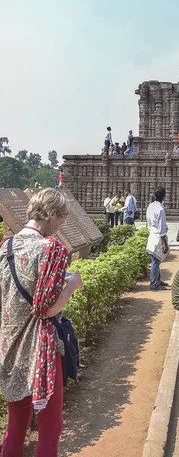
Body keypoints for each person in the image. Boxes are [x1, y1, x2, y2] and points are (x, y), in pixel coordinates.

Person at [0, 188, 83, 456]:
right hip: (40, 350)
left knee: (16, 427)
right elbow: (46, 309)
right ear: (52, 213)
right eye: (61, 220)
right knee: (50, 427)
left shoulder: (6, 246)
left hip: (9, 347)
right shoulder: (51, 249)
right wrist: (71, 286)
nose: (59, 227)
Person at [146, 187, 169, 291]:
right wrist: (164, 242)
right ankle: (154, 283)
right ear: (164, 196)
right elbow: (161, 227)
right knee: (155, 261)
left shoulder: (151, 206)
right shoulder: (160, 209)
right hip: (158, 237)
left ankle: (157, 280)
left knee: (156, 259)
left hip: (152, 234)